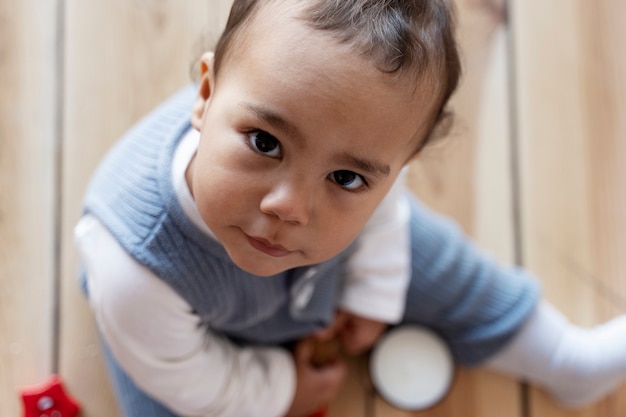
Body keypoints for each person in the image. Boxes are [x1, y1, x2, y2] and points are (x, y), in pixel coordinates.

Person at [74, 1, 626, 416]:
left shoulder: (364, 167)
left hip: (324, 262)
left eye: (346, 176)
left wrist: (374, 291)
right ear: (206, 94)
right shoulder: (136, 270)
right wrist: (281, 388)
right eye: (265, 143)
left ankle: (561, 360)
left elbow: (384, 215)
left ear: (399, 164)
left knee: (441, 263)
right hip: (184, 332)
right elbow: (185, 378)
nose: (288, 205)